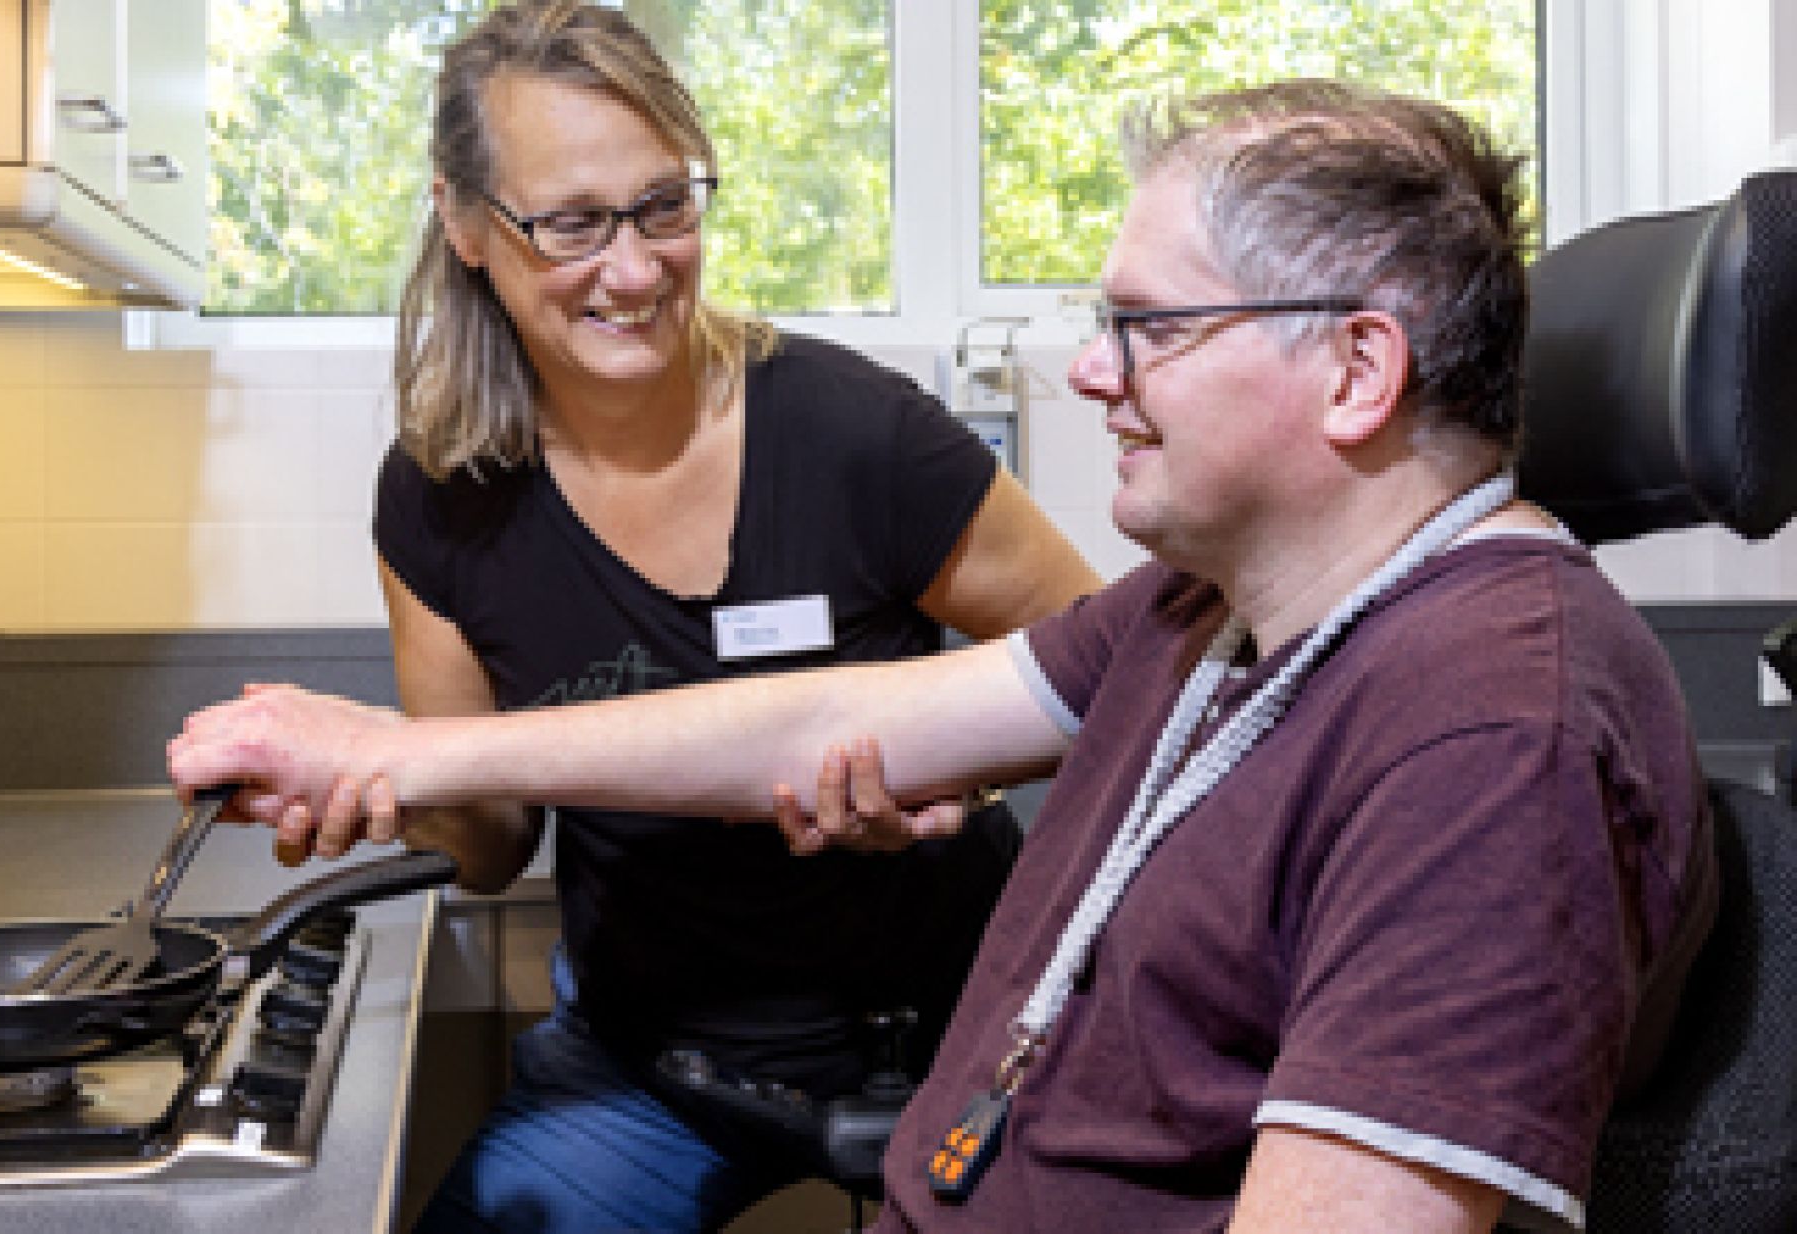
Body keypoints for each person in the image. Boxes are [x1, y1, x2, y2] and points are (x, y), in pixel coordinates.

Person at [172, 79, 1716, 1233]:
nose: (1090, 374)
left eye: (1146, 327)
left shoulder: (1489, 735)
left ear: (1358, 370)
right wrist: (396, 751)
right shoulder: (1208, 609)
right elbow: (831, 722)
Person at [330, 3, 1100, 1230]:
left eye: (663, 207)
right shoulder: (440, 497)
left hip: (973, 1045)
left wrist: (962, 776)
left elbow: (1120, 674)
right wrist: (387, 786)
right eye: (572, 223)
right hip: (653, 1069)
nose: (633, 271)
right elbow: (486, 854)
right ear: (468, 225)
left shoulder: (860, 434)